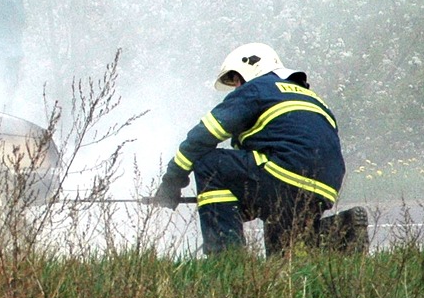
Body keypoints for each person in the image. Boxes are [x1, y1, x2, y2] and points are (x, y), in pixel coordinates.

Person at [149, 42, 350, 256]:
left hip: (285, 173)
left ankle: (226, 255)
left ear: (249, 69)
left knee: (210, 164)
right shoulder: (312, 98)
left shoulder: (256, 89)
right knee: (283, 255)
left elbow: (202, 136)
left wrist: (172, 182)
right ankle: (340, 233)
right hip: (325, 187)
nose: (236, 87)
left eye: (235, 79)